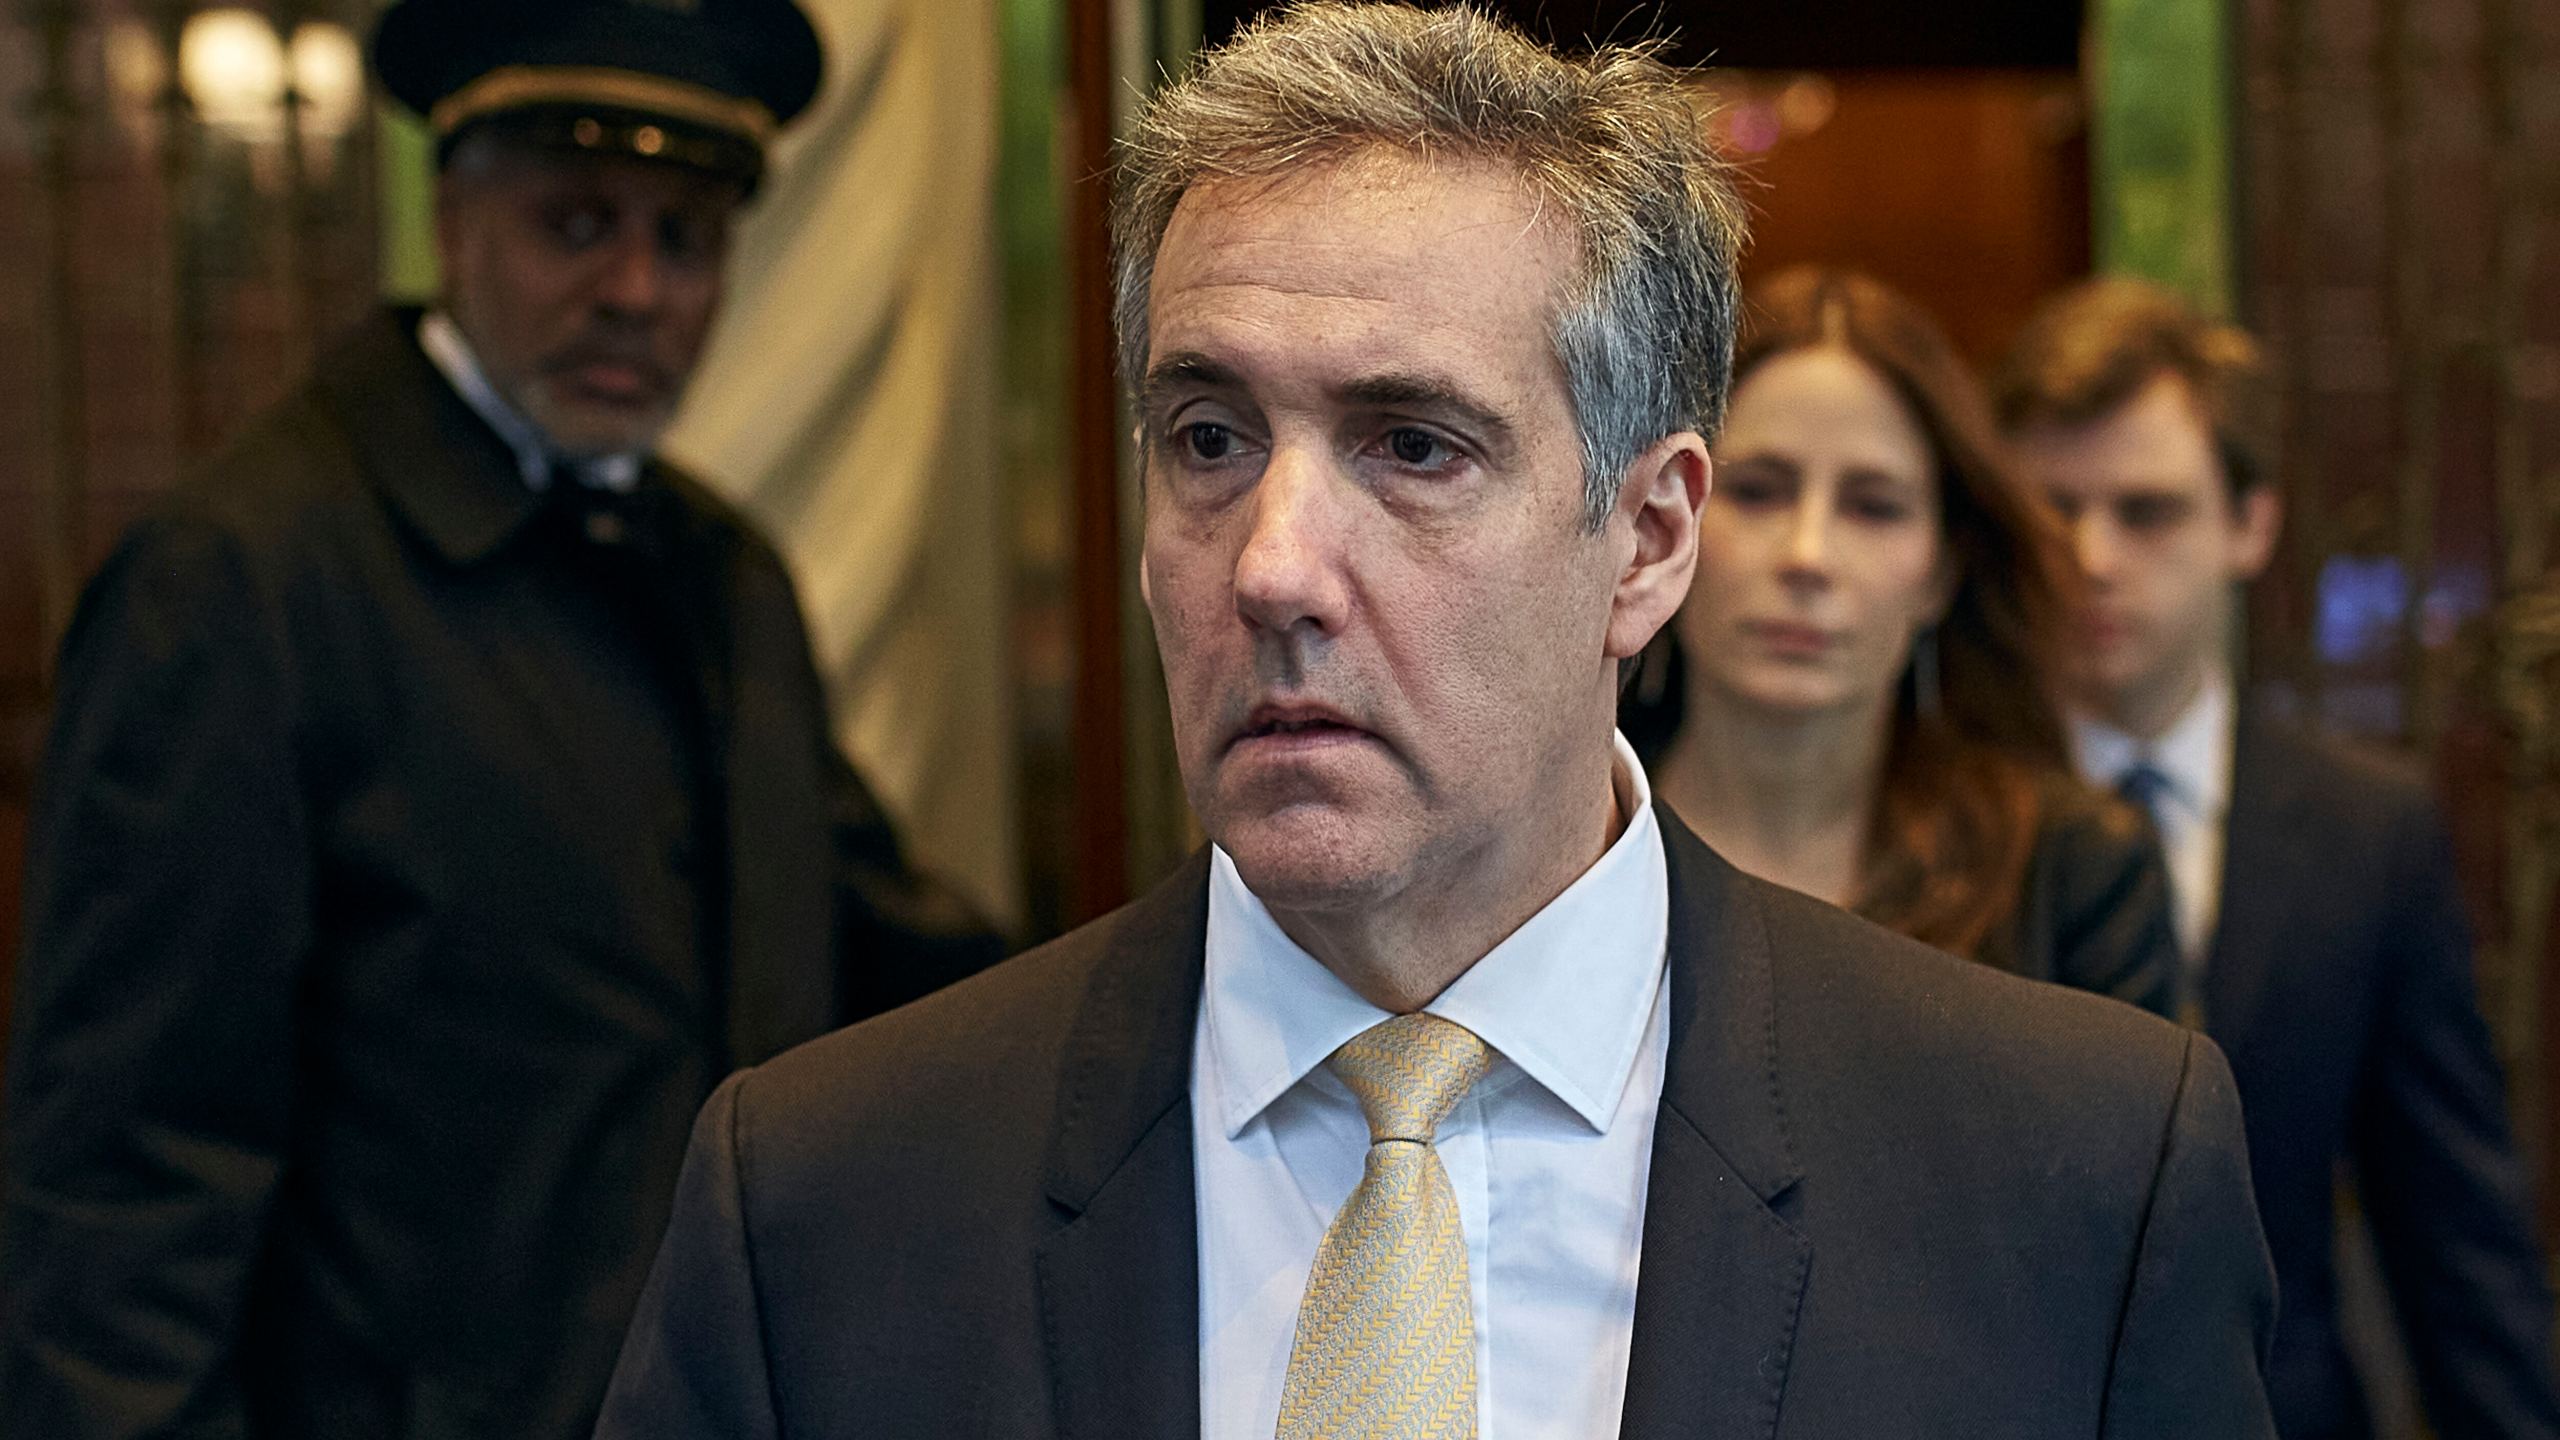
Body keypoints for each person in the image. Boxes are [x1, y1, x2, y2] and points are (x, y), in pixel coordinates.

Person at [596, 6, 2277, 1436]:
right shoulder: (822, 1207)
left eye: (1413, 447)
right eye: (1208, 438)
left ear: (1651, 540)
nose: (1271, 565)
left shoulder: (2072, 1183)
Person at [0, 1, 1004, 1435]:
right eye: (575, 222)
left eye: (685, 238)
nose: (637, 291)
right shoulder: (243, 586)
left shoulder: (720, 576)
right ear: (452, 218)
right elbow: (125, 1194)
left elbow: (878, 956)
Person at [1999, 277, 2560, 1440]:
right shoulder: (1941, 807)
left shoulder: (2368, 830)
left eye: (2146, 512)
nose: (2092, 556)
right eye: (2053, 509)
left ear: (2247, 526)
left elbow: (2453, 1234)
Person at [1633, 266, 2176, 1015]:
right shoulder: (1553, 847)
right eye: (1757, 490)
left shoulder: (2073, 873)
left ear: (1942, 570)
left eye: (1873, 507)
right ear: (1661, 525)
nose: (1808, 554)